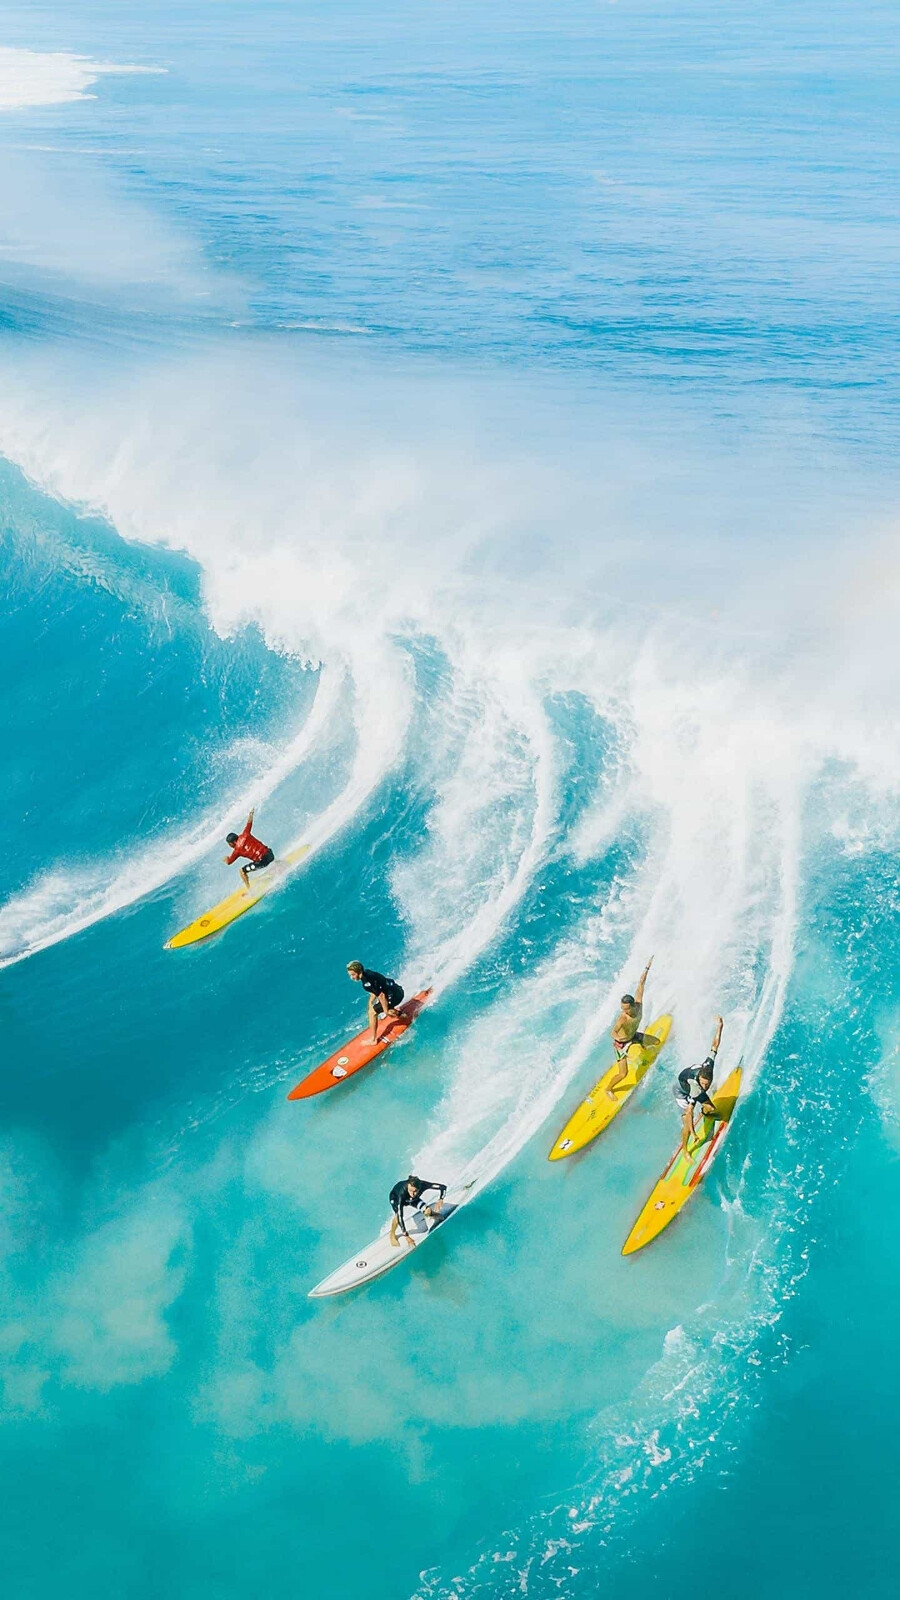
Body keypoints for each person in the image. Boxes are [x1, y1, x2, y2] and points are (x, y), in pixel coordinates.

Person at [605, 956, 656, 1100]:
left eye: (626, 1009)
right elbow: (613, 1031)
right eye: (622, 1008)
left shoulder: (639, 1004)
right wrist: (618, 1039)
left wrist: (647, 967)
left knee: (655, 1042)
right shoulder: (623, 1018)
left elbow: (641, 984)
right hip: (622, 1044)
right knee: (623, 1074)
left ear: (633, 1005)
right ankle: (608, 1089)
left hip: (634, 1035)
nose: (624, 1011)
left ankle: (642, 1047)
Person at [674, 1015, 725, 1150]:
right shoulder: (695, 1087)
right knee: (686, 1122)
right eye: (703, 1084)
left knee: (711, 1109)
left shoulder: (708, 1065)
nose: (705, 1087)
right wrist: (693, 1132)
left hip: (690, 1080)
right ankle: (685, 1149)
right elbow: (690, 1112)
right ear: (699, 1080)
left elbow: (715, 1046)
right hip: (681, 1090)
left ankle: (705, 1112)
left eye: (707, 1084)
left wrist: (720, 1026)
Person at [346, 961, 405, 1041]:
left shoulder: (367, 983)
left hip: (395, 996)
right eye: (350, 975)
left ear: (359, 972)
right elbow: (375, 991)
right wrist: (370, 1003)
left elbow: (381, 995)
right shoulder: (367, 972)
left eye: (353, 975)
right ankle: (402, 1015)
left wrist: (386, 1011)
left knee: (372, 1013)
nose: (351, 977)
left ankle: (373, 1040)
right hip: (397, 990)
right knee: (377, 1008)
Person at [389, 1175, 448, 1249]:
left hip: (410, 1200)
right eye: (410, 1190)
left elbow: (443, 1187)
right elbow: (400, 1216)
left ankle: (431, 1215)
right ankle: (392, 1234)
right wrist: (406, 1236)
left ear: (419, 1188)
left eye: (415, 1191)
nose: (412, 1194)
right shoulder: (401, 1192)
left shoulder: (423, 1185)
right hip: (395, 1198)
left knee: (427, 1210)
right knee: (397, 1216)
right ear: (408, 1186)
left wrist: (441, 1199)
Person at [223, 809, 275, 888]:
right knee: (266, 850)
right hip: (270, 855)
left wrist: (225, 859)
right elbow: (249, 822)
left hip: (262, 862)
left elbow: (229, 862)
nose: (229, 846)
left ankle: (249, 891)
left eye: (229, 844)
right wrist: (251, 812)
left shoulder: (237, 850)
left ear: (232, 842)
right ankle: (278, 863)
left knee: (242, 871)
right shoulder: (246, 834)